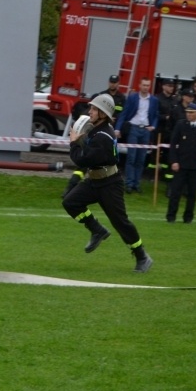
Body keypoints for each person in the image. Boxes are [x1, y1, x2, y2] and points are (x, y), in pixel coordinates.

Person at [62, 93, 153, 273]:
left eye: (95, 109)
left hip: (110, 184)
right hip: (95, 180)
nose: (91, 111)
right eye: (92, 108)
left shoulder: (102, 136)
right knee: (70, 202)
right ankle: (97, 230)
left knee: (120, 222)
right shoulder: (96, 129)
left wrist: (73, 143)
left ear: (103, 113)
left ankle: (142, 256)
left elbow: (81, 159)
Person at [62, 74, 127, 197]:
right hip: (97, 136)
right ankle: (70, 187)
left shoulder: (122, 99)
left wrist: (115, 127)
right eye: (111, 82)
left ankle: (72, 191)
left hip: (107, 179)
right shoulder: (101, 97)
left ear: (118, 83)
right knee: (84, 166)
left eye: (115, 82)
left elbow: (123, 115)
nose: (113, 84)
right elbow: (89, 114)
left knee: (89, 162)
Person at [165, 103, 196, 223]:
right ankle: (171, 217)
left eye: (191, 112)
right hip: (181, 164)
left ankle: (188, 218)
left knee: (192, 194)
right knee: (175, 192)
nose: (189, 115)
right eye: (187, 112)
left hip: (195, 166)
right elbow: (173, 144)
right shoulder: (181, 125)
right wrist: (174, 161)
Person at [115, 77, 158, 193]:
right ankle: (129, 183)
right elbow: (124, 113)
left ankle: (136, 184)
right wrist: (117, 129)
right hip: (133, 129)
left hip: (145, 131)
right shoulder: (133, 98)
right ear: (139, 85)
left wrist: (153, 126)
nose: (145, 87)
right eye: (144, 85)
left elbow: (156, 115)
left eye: (147, 85)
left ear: (150, 86)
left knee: (141, 159)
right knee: (131, 158)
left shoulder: (153, 100)